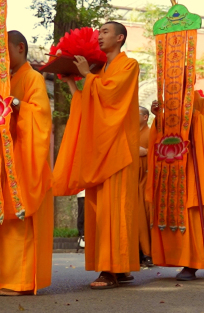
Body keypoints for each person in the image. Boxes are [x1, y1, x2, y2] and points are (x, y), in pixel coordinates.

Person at [53, 21, 140, 289]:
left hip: (118, 148)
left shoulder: (129, 65)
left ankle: (111, 270)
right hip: (99, 149)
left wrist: (86, 76)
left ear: (120, 38)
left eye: (105, 32)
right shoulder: (100, 69)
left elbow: (112, 96)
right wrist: (72, 82)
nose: (99, 36)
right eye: (99, 32)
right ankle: (119, 267)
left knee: (115, 210)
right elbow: (86, 104)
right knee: (98, 211)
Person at [0, 30, 54, 295]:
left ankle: (18, 281)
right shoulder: (0, 82)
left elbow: (41, 119)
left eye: (3, 49)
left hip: (23, 159)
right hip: (0, 161)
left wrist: (16, 104)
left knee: (19, 220)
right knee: (0, 219)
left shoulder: (33, 78)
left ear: (20, 48)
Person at [148, 91, 204, 280]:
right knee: (173, 217)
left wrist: (193, 115)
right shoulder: (167, 104)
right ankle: (174, 258)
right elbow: (158, 138)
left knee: (193, 217)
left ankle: (192, 264)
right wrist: (158, 118)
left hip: (192, 172)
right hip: (171, 172)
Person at [138, 106, 153, 267]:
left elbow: (160, 152)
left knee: (145, 217)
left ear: (145, 117)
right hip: (133, 180)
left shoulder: (151, 134)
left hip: (147, 180)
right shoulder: (130, 133)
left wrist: (146, 152)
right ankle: (137, 251)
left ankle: (148, 252)